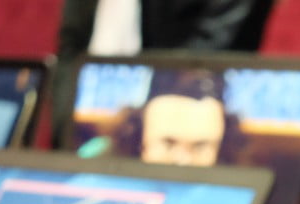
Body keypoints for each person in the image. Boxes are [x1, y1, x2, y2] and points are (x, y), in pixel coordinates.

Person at [52, 0, 274, 144]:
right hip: (85, 122)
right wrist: (65, 130)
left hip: (188, 113)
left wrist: (136, 131)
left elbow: (199, 59)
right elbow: (71, 48)